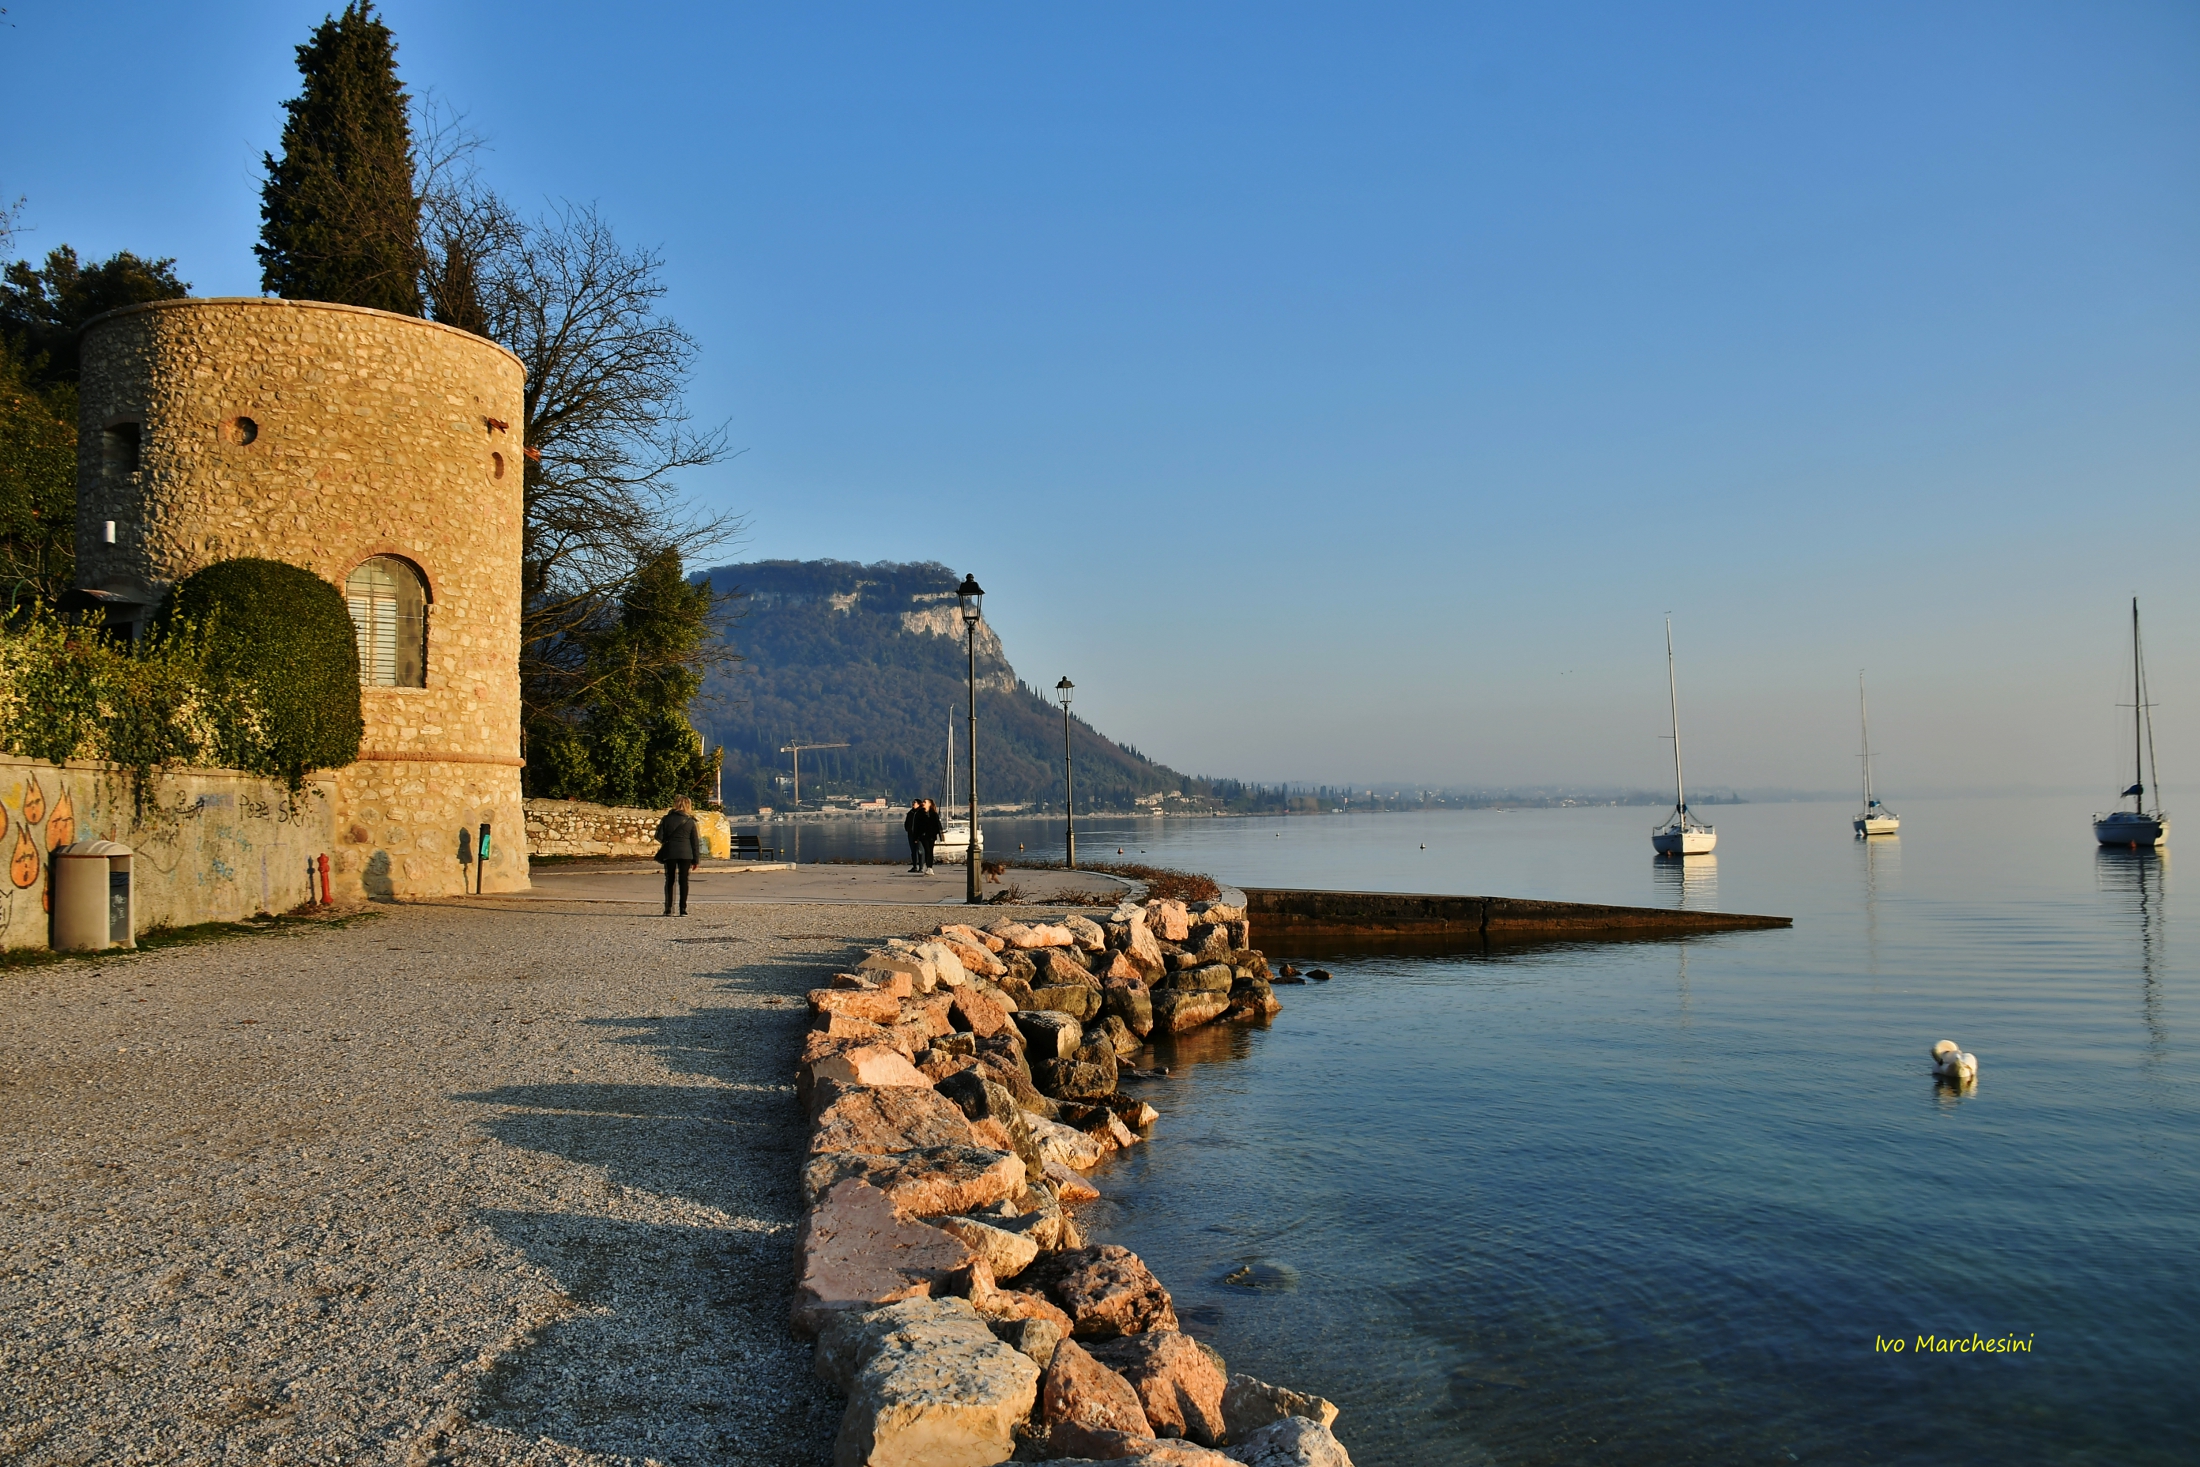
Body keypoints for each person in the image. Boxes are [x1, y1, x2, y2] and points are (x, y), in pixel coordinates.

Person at [654, 795, 701, 916]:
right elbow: (695, 842)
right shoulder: (690, 821)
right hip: (686, 853)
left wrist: (668, 840)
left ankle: (668, 908)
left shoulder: (667, 819)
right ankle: (683, 909)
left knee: (670, 880)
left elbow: (658, 836)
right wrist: (696, 860)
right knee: (683, 881)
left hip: (670, 852)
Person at [917, 798, 943, 874]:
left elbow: (938, 825)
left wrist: (940, 835)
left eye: (925, 802)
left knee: (930, 851)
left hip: (932, 835)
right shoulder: (920, 813)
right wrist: (917, 836)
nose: (923, 803)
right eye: (923, 802)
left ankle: (929, 867)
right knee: (927, 850)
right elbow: (917, 826)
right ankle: (927, 865)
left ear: (929, 804)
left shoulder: (934, 814)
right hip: (923, 835)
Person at [903, 800, 926, 873]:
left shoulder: (922, 813)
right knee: (913, 851)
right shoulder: (910, 813)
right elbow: (906, 823)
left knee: (920, 851)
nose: (913, 804)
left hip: (919, 835)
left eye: (914, 803)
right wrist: (908, 829)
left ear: (919, 804)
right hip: (911, 834)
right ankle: (914, 866)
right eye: (912, 803)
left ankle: (921, 867)